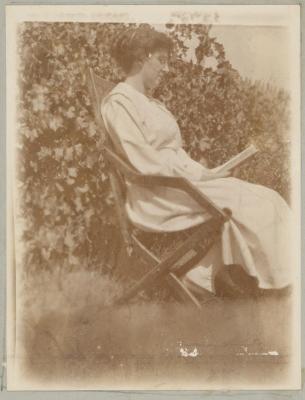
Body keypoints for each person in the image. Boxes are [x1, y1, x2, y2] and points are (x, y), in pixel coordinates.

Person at [101, 24, 293, 297]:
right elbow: (143, 161)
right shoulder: (119, 103)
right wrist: (192, 178)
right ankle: (270, 283)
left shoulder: (153, 103)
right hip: (157, 193)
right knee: (248, 202)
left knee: (268, 197)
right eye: (162, 61)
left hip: (180, 184)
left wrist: (208, 173)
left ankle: (216, 276)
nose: (166, 69)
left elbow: (177, 154)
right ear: (141, 57)